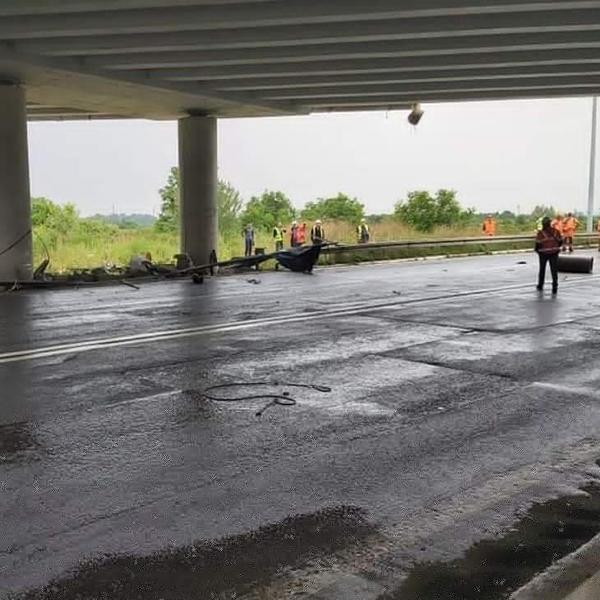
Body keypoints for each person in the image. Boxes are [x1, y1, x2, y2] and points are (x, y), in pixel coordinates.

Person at [535, 216, 562, 294]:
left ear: (543, 224)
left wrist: (537, 251)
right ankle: (555, 286)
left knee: (542, 269)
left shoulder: (541, 233)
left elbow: (538, 244)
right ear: (550, 223)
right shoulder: (556, 231)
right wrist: (555, 248)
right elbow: (560, 241)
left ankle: (540, 285)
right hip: (554, 253)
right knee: (554, 270)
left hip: (543, 254)